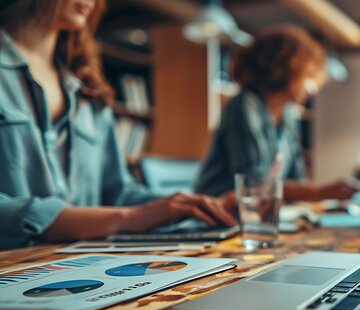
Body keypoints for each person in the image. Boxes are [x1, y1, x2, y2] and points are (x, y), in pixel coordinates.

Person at [0, 0, 236, 251]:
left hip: (84, 266)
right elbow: (123, 212)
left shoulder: (89, 91)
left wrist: (193, 208)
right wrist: (126, 218)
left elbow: (119, 194)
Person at [195, 26, 356, 201]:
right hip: (217, 215)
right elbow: (253, 183)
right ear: (284, 69)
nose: (314, 88)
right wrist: (321, 193)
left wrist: (318, 194)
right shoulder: (244, 105)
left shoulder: (288, 115)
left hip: (260, 214)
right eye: (308, 75)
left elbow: (296, 178)